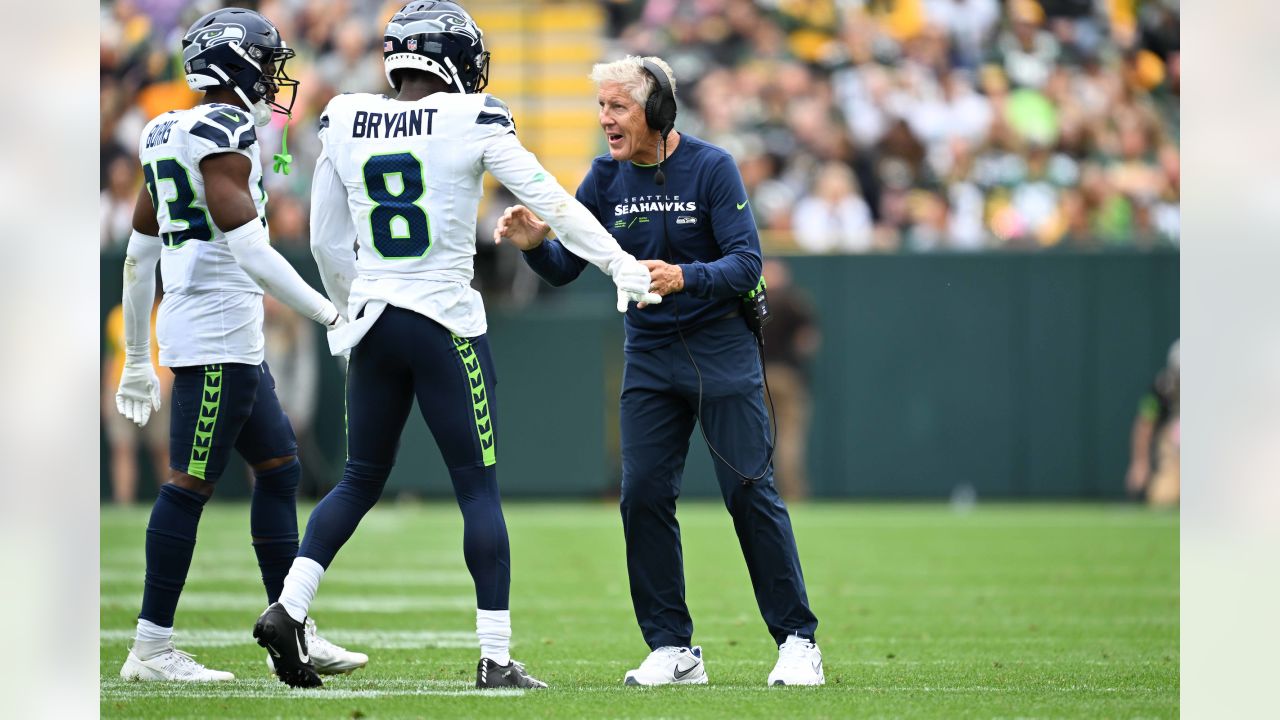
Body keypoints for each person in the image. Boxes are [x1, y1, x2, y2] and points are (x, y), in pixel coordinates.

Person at [254, 1, 659, 690]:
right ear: (453, 58)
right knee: (477, 488)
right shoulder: (475, 116)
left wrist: (353, 305)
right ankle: (495, 658)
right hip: (442, 319)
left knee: (358, 479)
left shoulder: (346, 115)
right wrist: (619, 262)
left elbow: (324, 239)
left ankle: (289, 608)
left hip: (376, 316)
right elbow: (554, 201)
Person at [495, 55, 824, 686]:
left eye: (618, 107)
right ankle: (673, 647)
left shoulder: (712, 166)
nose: (604, 120)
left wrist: (685, 277)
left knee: (750, 494)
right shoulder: (602, 178)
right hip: (648, 357)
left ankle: (796, 640)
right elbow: (568, 268)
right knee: (642, 495)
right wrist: (538, 245)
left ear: (657, 112)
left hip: (723, 352)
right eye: (601, 107)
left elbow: (747, 263)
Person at [114, 7, 366, 682]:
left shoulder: (165, 128)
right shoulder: (223, 130)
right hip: (216, 339)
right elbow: (251, 250)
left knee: (280, 468)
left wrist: (140, 355)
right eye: (263, 61)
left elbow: (139, 256)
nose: (271, 74)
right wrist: (328, 312)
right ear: (234, 64)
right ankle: (152, 647)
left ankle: (293, 623)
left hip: (228, 337)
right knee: (188, 486)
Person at [760, 259, 821, 501]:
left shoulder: (754, 301)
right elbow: (808, 341)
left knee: (754, 438)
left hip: (757, 376)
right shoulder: (794, 301)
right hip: (787, 375)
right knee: (789, 439)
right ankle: (793, 495)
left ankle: (757, 494)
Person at [102, 298, 171, 505]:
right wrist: (105, 394)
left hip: (154, 389)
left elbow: (172, 355)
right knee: (122, 447)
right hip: (120, 389)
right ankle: (123, 503)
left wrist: (165, 387)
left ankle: (173, 500)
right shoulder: (116, 316)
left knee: (162, 447)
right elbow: (111, 356)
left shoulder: (163, 315)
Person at [1126, 339, 1180, 506]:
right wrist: (1140, 463)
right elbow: (1144, 424)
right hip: (1172, 454)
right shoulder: (1161, 388)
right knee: (1163, 498)